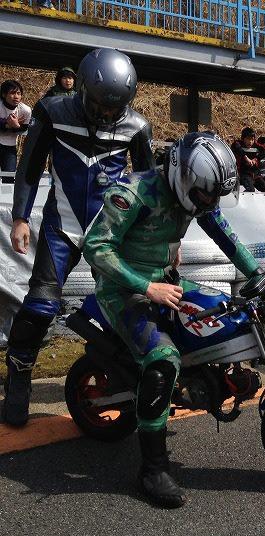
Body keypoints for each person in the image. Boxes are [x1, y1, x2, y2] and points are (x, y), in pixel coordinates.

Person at [83, 133, 263, 508]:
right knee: (164, 358)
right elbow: (96, 246)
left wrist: (259, 275)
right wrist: (147, 288)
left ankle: (205, 382)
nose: (209, 203)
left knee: (222, 309)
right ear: (184, 176)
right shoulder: (132, 193)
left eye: (214, 196)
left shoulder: (198, 194)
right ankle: (152, 468)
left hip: (167, 282)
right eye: (205, 195)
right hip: (123, 291)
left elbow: (226, 237)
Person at [3, 48, 154, 427]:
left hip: (110, 233)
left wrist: (164, 239)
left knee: (125, 308)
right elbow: (30, 164)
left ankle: (122, 378)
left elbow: (152, 186)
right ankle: (18, 383)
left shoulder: (137, 125)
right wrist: (20, 217)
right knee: (39, 306)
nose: (106, 114)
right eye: (100, 105)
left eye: (114, 108)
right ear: (82, 89)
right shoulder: (53, 111)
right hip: (61, 226)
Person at [0, 80, 31, 183]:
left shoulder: (25, 110)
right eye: (12, 93)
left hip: (10, 146)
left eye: (19, 93)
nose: (16, 96)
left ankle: (5, 199)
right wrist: (7, 124)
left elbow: (26, 128)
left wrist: (17, 126)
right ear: (4, 95)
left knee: (9, 178)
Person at [231, 127, 260, 192]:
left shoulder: (255, 145)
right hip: (241, 174)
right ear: (243, 138)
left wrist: (255, 159)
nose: (250, 142)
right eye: (248, 139)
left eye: (252, 139)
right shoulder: (237, 143)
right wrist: (246, 158)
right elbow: (238, 147)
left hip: (254, 175)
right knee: (251, 190)